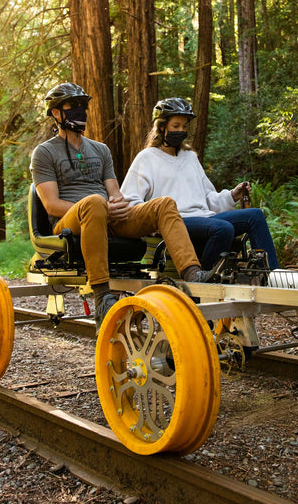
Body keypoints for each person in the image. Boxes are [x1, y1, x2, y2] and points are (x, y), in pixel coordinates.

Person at [30, 84, 212, 330]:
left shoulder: (100, 150)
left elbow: (115, 193)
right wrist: (101, 207)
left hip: (106, 216)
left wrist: (116, 204)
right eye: (73, 106)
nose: (80, 110)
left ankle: (192, 273)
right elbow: (51, 205)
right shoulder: (44, 153)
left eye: (83, 106)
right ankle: (101, 296)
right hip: (69, 223)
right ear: (55, 113)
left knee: (164, 204)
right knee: (94, 202)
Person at [120, 97, 280, 271]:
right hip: (176, 221)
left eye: (184, 126)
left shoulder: (190, 157)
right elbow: (130, 201)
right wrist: (150, 223)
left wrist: (232, 195)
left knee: (255, 215)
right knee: (223, 228)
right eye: (176, 126)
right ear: (161, 127)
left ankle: (272, 275)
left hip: (205, 218)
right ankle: (204, 276)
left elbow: (207, 197)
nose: (181, 131)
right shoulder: (146, 158)